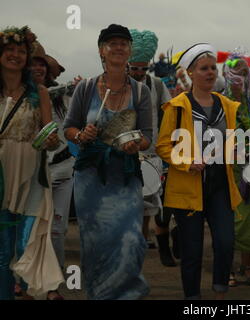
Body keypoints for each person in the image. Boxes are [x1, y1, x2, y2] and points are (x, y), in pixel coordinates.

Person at [63, 24, 152, 300]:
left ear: (130, 51)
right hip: (91, 179)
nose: (118, 47)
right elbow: (68, 129)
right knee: (97, 244)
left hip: (125, 177)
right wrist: (81, 135)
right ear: (102, 50)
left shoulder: (140, 92)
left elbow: (149, 137)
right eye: (112, 43)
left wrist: (136, 144)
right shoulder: (86, 89)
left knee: (130, 239)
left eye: (123, 43)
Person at [156, 43, 242, 299]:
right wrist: (187, 161)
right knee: (192, 251)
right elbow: (163, 146)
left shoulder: (227, 105)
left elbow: (230, 140)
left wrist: (234, 150)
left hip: (220, 186)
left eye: (212, 68)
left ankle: (219, 296)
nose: (210, 72)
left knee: (225, 244)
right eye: (203, 68)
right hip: (188, 186)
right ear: (190, 72)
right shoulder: (177, 106)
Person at [0, 26, 63, 300]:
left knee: (28, 244)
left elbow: (51, 134)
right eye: (10, 50)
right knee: (2, 252)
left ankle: (29, 293)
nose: (16, 55)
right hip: (1, 178)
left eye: (22, 51)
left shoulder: (40, 93)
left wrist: (50, 141)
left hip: (31, 178)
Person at [128, 28, 179, 266]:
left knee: (149, 207)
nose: (139, 73)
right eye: (134, 68)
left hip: (151, 153)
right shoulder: (119, 84)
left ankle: (144, 249)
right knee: (129, 208)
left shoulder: (157, 85)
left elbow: (170, 112)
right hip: (124, 152)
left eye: (142, 68)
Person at [30, 41, 73, 300]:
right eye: (33, 63)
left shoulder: (61, 96)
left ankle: (54, 279)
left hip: (64, 169)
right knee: (32, 226)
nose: (37, 68)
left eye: (41, 64)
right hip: (33, 172)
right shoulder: (21, 97)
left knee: (58, 228)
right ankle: (26, 277)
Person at [222, 52, 250, 287]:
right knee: (229, 217)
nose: (237, 77)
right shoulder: (219, 100)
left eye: (242, 73)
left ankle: (247, 265)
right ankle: (226, 267)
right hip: (229, 166)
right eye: (232, 73)